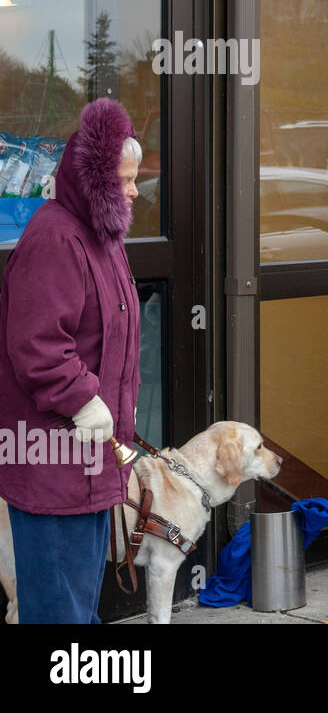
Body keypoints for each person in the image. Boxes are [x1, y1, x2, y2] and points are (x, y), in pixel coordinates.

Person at [0, 98, 141, 623]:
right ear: (94, 181)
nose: (133, 191)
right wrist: (83, 399)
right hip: (53, 465)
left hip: (88, 462)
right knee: (60, 614)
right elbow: (37, 345)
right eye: (124, 181)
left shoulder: (99, 236)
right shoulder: (56, 240)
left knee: (76, 608)